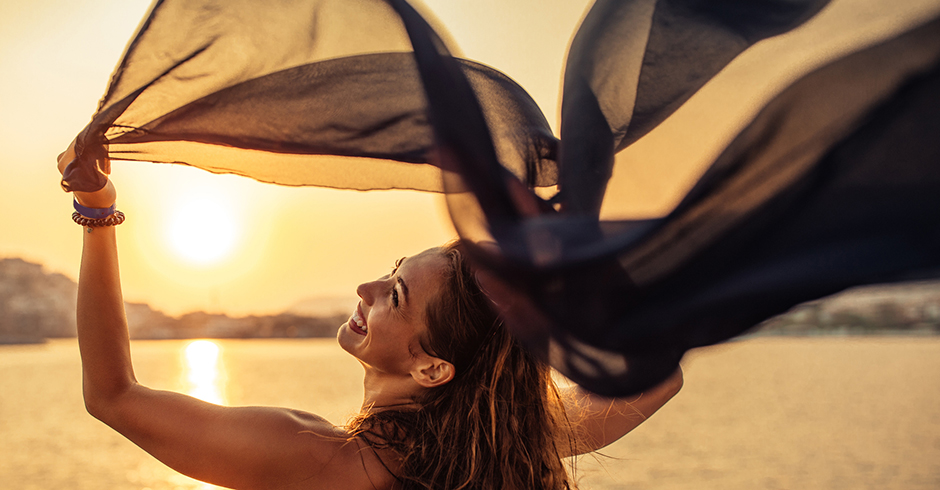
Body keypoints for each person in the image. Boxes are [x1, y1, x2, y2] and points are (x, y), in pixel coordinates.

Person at [59, 143, 682, 490]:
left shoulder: (318, 461)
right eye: (392, 271)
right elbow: (661, 372)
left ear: (433, 367)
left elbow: (113, 396)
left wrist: (98, 211)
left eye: (397, 296)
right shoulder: (520, 445)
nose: (367, 287)